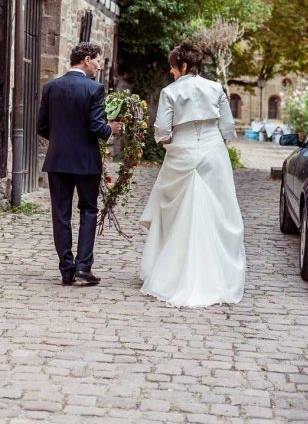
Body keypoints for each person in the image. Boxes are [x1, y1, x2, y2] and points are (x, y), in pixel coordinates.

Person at [140, 44, 246, 307]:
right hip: (212, 152)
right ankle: (216, 272)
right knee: (217, 210)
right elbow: (229, 128)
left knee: (177, 213)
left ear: (183, 66)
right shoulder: (216, 88)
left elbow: (163, 130)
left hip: (183, 153)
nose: (171, 71)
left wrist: (167, 140)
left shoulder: (170, 92)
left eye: (173, 66)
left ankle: (173, 273)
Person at [38, 42, 122, 286]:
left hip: (57, 160)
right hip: (85, 161)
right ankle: (83, 267)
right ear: (86, 59)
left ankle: (66, 269)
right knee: (88, 210)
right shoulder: (94, 89)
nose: (98, 66)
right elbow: (97, 127)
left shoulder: (51, 86)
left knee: (60, 214)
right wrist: (112, 128)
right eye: (96, 61)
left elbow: (42, 126)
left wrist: (62, 142)